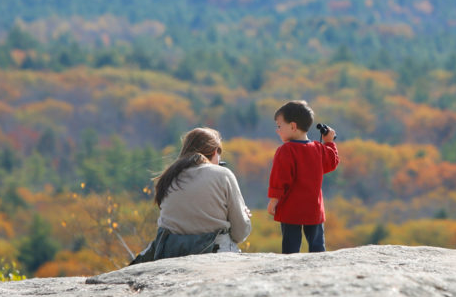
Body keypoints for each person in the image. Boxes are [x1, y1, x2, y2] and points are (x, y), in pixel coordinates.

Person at [130, 127, 251, 264]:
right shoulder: (223, 175)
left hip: (170, 253)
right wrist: (244, 215)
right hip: (214, 255)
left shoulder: (168, 176)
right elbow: (240, 233)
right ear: (214, 151)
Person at [267, 100, 340, 254]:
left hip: (290, 209)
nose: (277, 130)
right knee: (317, 246)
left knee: (291, 248)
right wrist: (329, 143)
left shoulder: (286, 150)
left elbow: (280, 179)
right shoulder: (318, 149)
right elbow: (332, 163)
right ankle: (320, 270)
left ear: (293, 126)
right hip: (314, 209)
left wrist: (274, 200)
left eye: (279, 126)